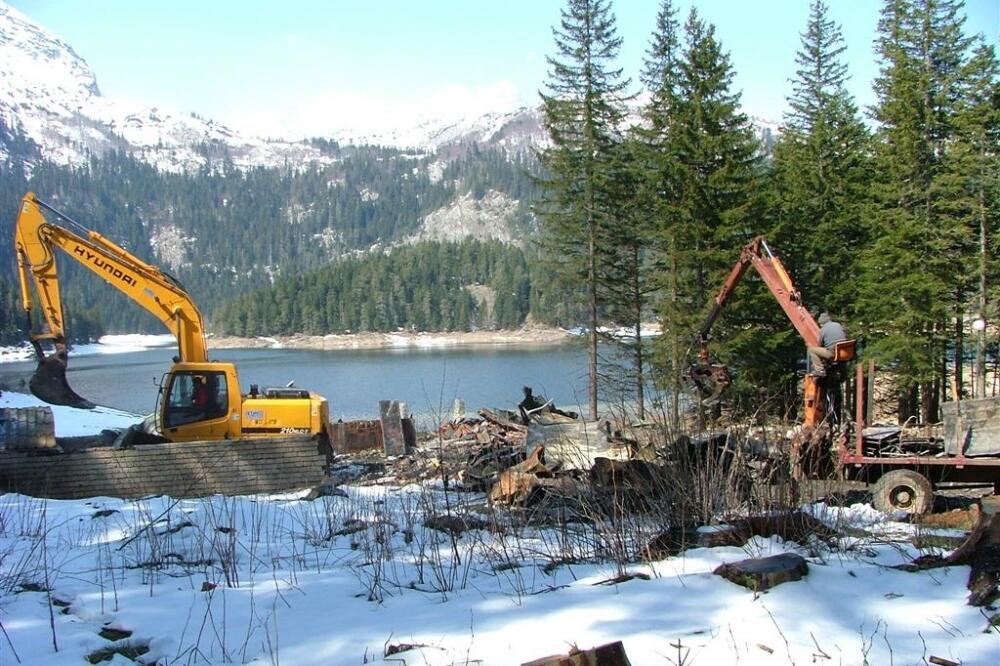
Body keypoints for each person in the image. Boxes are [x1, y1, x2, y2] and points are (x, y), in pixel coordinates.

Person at [807, 312, 847, 378]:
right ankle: (843, 374)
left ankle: (820, 370)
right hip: (844, 352)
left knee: (811, 350)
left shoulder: (823, 329)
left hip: (832, 352)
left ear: (822, 323)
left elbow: (819, 344)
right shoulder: (837, 325)